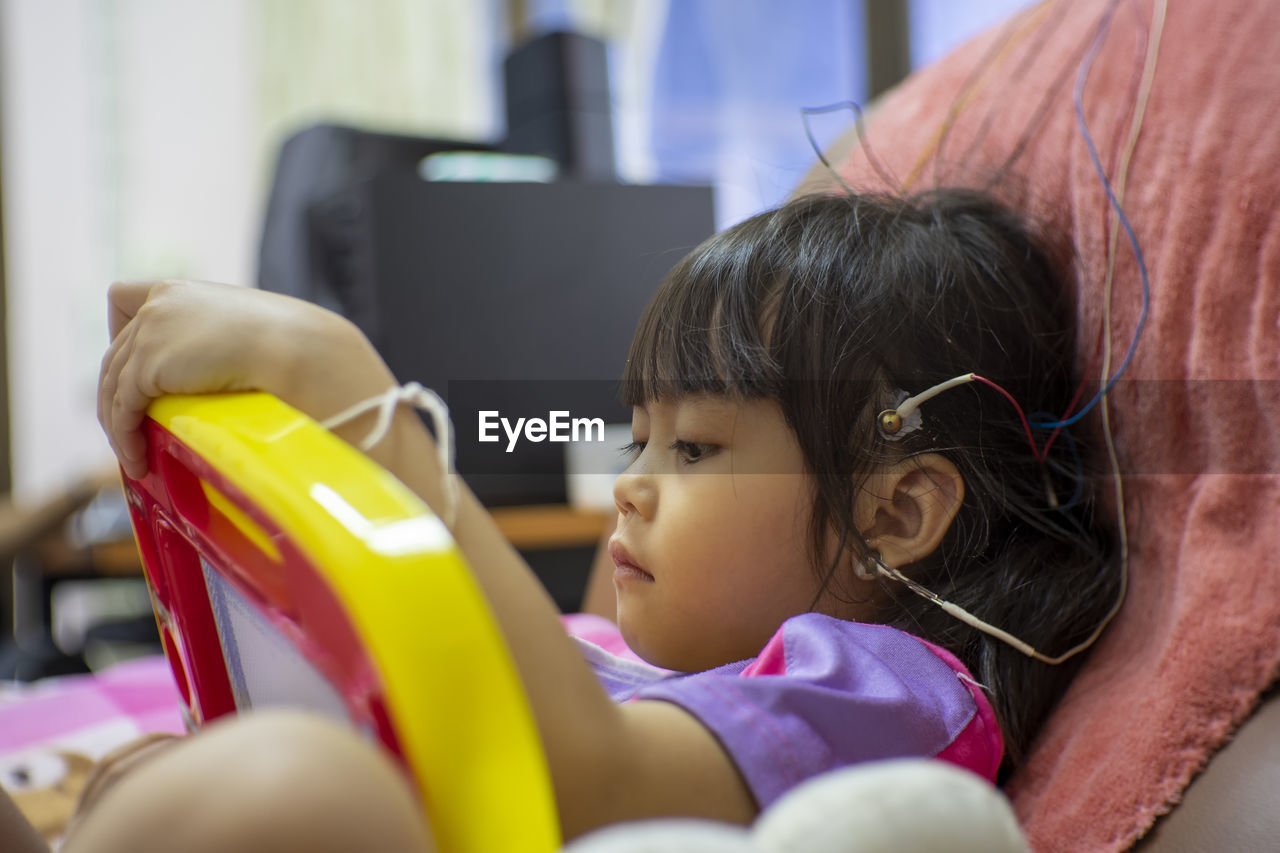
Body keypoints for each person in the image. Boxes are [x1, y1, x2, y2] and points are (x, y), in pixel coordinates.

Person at [9, 188, 1118, 852]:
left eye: (693, 448)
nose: (629, 482)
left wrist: (363, 404)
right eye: (637, 438)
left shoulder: (889, 692)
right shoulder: (648, 652)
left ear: (897, 509)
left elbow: (580, 786)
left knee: (296, 789)